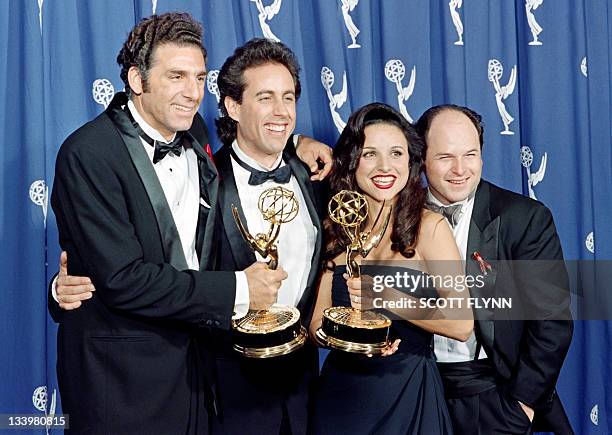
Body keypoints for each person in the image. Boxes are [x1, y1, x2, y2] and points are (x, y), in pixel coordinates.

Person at [50, 13, 291, 433]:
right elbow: (124, 278)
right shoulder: (87, 153)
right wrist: (239, 288)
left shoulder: (193, 130)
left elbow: (248, 141)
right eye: (176, 76)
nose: (193, 92)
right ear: (137, 81)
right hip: (120, 381)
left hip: (195, 373)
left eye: (199, 77)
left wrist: (301, 144)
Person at [309, 102, 473, 434]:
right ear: (352, 161)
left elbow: (461, 323)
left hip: (408, 398)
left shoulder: (430, 228)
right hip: (341, 399)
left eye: (396, 153)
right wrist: (353, 340)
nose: (385, 166)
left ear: (410, 163)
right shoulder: (335, 229)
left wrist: (387, 296)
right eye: (370, 154)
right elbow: (316, 327)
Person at [415, 104, 574, 434]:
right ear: (422, 158)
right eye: (445, 157)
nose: (460, 169)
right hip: (416, 388)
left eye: (470, 155)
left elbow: (552, 322)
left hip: (492, 393)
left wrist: (522, 406)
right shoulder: (396, 216)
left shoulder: (524, 218)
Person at [208, 38, 324, 435]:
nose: (281, 111)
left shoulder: (315, 175)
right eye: (265, 98)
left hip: (304, 389)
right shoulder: (203, 181)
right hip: (228, 392)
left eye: (288, 97)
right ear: (233, 106)